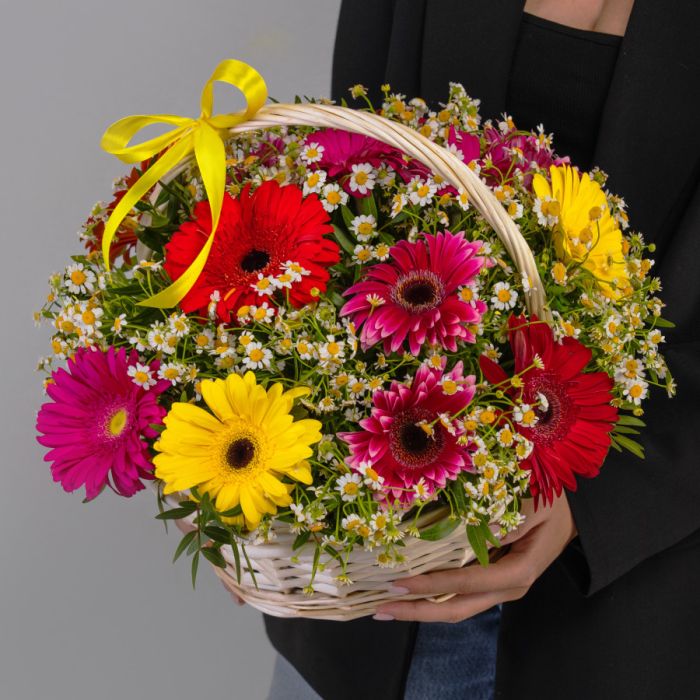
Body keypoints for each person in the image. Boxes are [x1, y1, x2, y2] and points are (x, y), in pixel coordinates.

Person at [264, 1, 700, 698]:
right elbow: (351, 178)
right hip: (371, 600)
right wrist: (250, 459)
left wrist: (598, 507)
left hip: (627, 615)